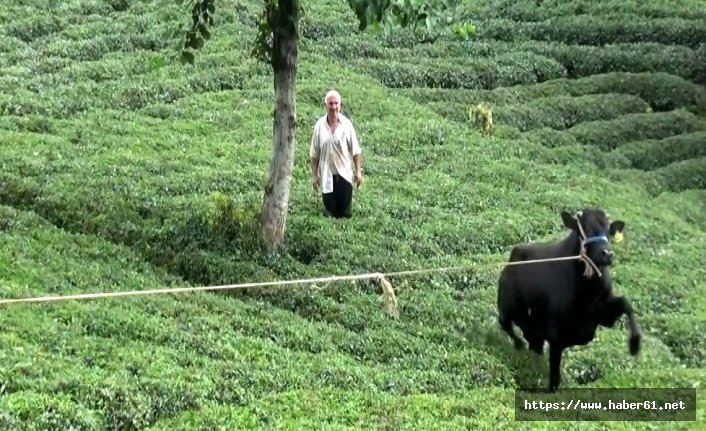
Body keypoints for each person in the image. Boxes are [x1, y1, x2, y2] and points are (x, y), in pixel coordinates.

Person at [309, 89, 363, 218]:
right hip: (327, 177)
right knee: (329, 214)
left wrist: (358, 171)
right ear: (325, 106)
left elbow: (356, 150)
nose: (333, 107)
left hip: (344, 177)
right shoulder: (319, 126)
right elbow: (314, 153)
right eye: (330, 103)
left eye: (336, 103)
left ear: (340, 105)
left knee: (345, 214)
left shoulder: (347, 125)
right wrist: (314, 175)